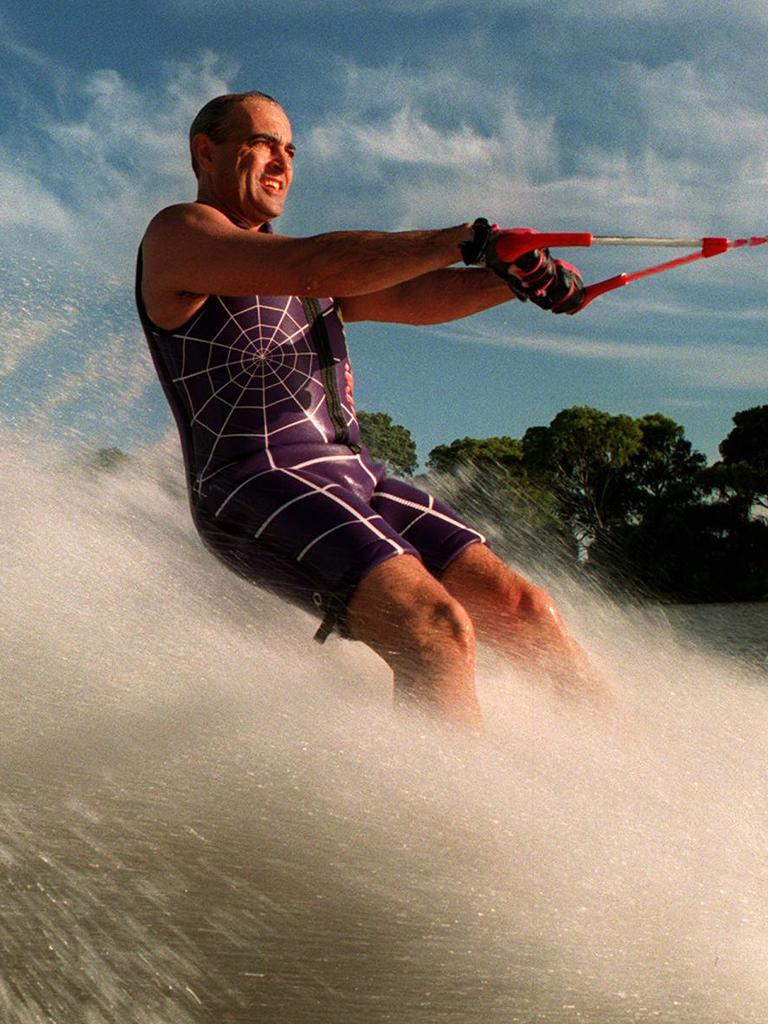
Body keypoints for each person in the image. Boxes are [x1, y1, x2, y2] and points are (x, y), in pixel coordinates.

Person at [136, 90, 612, 732]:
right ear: (206, 153)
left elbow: (412, 296)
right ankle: (451, 823)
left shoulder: (313, 273)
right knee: (435, 627)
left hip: (356, 473)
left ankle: (638, 775)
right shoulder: (180, 234)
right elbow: (308, 267)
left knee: (524, 610)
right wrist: (466, 240)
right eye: (262, 144)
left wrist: (514, 282)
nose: (281, 161)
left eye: (290, 150)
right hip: (252, 483)